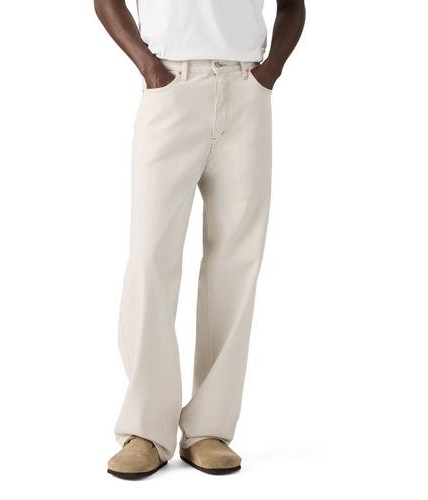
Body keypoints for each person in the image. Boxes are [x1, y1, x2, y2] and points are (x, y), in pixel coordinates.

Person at [94, 0, 305, 479]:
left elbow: (293, 8)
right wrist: (149, 67)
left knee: (237, 261)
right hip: (171, 84)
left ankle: (210, 429)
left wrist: (268, 74)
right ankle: (145, 430)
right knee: (151, 259)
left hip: (246, 89)